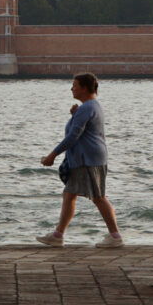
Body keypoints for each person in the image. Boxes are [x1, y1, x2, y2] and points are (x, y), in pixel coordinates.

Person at [37, 72, 123, 247]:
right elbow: (80, 130)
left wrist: (52, 155)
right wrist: (75, 115)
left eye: (75, 86)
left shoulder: (87, 108)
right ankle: (58, 235)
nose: (71, 89)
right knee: (69, 194)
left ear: (84, 88)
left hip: (88, 159)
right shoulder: (91, 106)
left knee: (98, 197)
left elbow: (73, 137)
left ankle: (115, 237)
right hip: (89, 157)